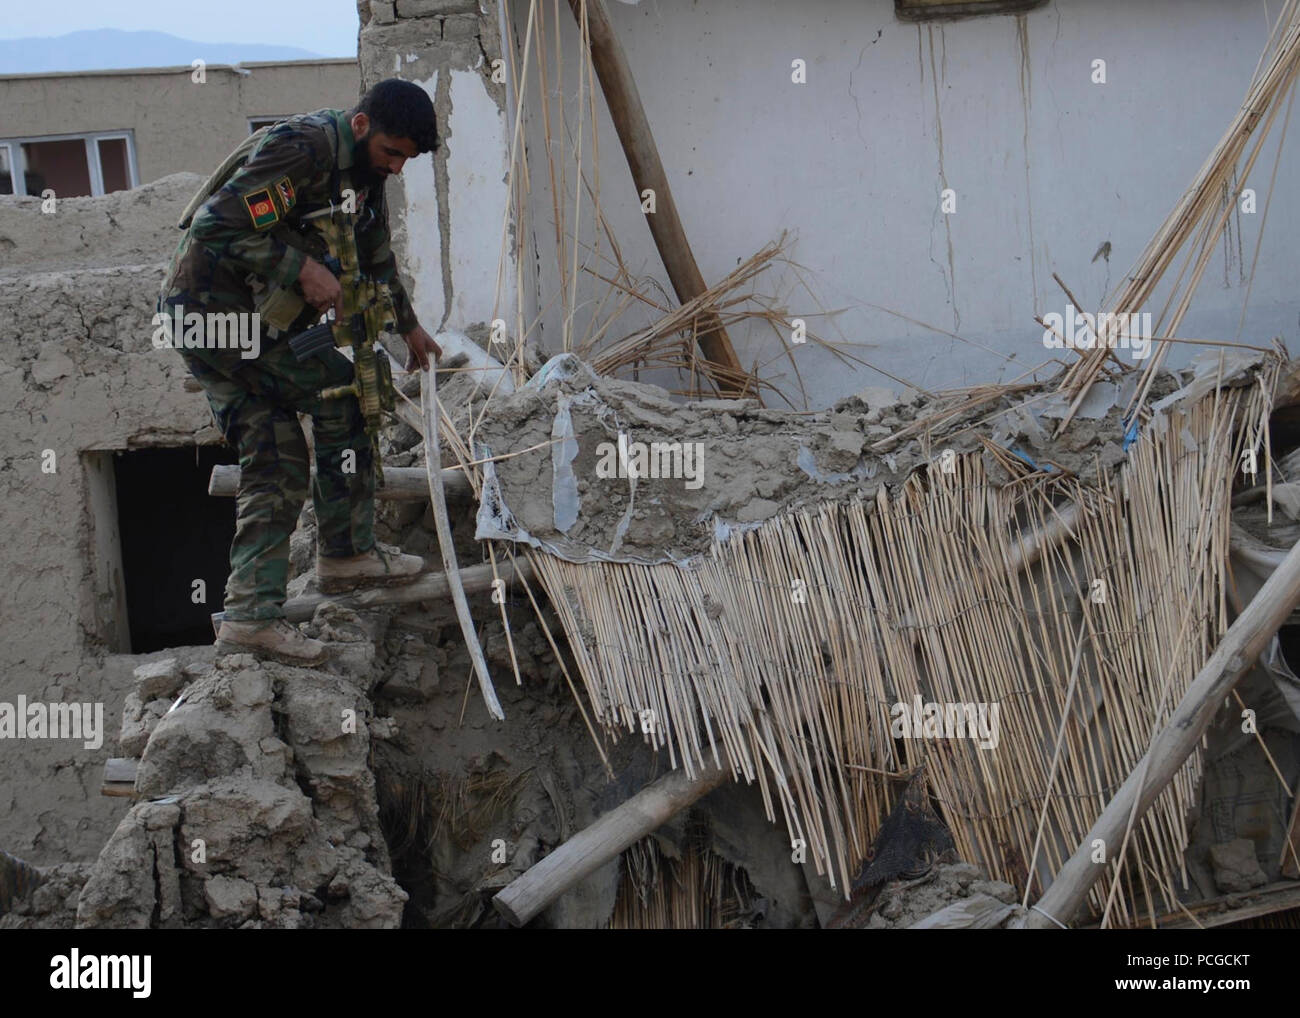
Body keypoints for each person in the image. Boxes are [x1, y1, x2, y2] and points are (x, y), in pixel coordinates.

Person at [159, 79, 444, 665]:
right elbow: (215, 224)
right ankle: (344, 554)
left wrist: (409, 326)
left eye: (405, 161)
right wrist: (303, 268)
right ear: (361, 126)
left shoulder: (364, 177)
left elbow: (376, 256)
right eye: (391, 153)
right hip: (213, 318)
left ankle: (249, 619)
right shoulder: (303, 149)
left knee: (275, 452)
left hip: (249, 324)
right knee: (346, 393)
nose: (395, 168)